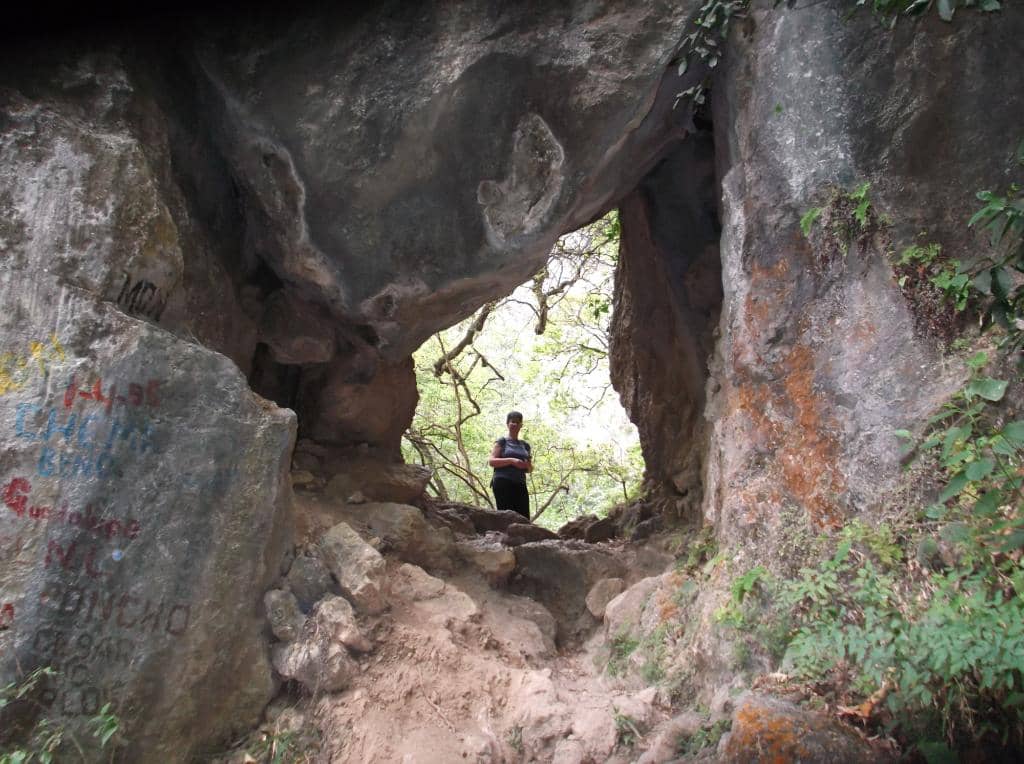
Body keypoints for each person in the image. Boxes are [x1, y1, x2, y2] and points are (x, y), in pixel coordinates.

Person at [489, 410, 532, 521]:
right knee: (506, 516)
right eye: (513, 421)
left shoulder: (525, 445)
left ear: (521, 425)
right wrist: (512, 461)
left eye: (518, 422)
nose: (515, 424)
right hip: (503, 482)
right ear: (507, 423)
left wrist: (527, 466)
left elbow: (529, 468)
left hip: (520, 483)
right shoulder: (502, 442)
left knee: (524, 517)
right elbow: (492, 461)